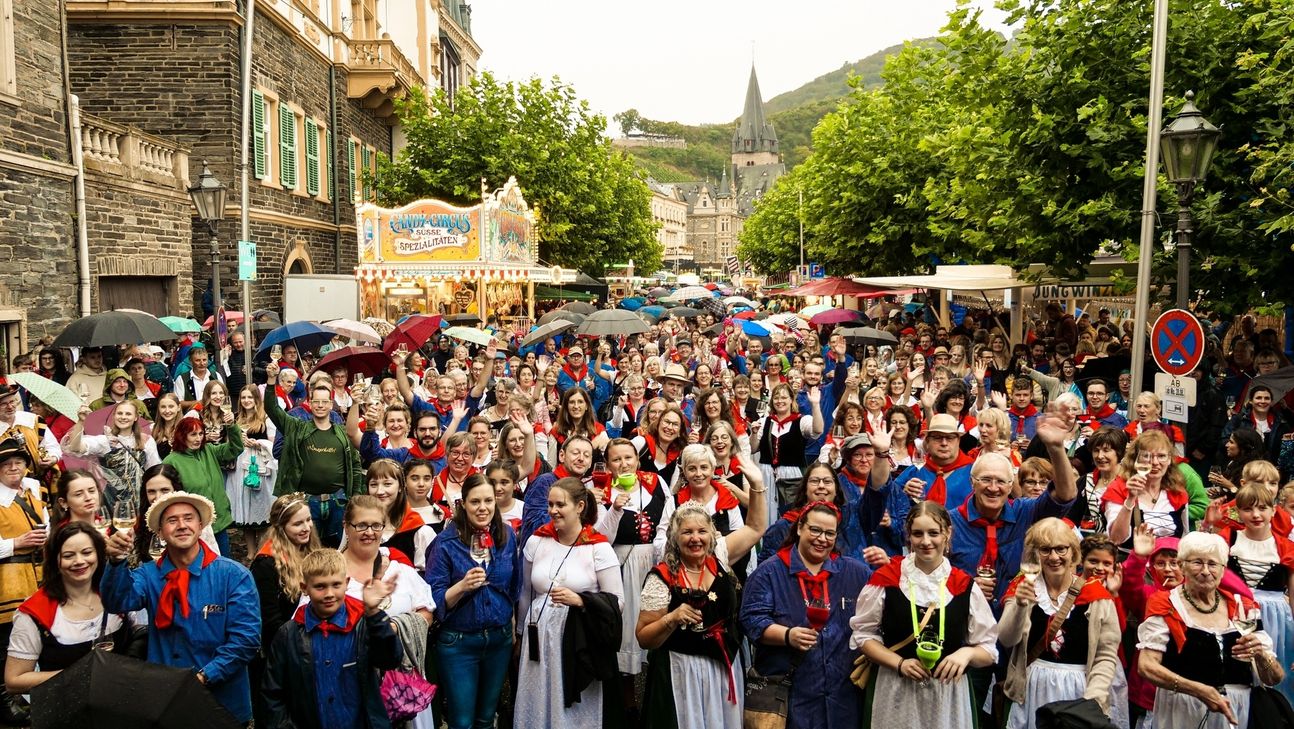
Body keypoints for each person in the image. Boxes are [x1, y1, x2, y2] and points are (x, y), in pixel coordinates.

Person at [101, 491, 260, 723]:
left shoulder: (234, 576)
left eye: (188, 518)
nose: (182, 525)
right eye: (172, 520)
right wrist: (116, 562)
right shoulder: (149, 574)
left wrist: (204, 677)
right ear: (160, 532)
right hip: (167, 700)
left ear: (201, 524)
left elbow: (245, 641)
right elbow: (118, 601)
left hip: (222, 704)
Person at [850, 501, 999, 729]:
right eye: (917, 534)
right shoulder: (887, 579)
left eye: (934, 533)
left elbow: (988, 649)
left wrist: (966, 654)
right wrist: (899, 663)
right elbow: (863, 635)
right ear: (908, 536)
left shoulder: (964, 585)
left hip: (948, 695)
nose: (926, 541)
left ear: (947, 533)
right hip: (896, 689)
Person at [634, 483, 768, 728]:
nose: (695, 538)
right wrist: (671, 619)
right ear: (675, 538)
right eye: (687, 532)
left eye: (701, 531)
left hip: (723, 668)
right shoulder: (662, 577)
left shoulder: (720, 557)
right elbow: (644, 637)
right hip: (681, 671)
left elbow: (756, 527)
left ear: (712, 535)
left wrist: (756, 485)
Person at [739, 501, 871, 729]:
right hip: (791, 698)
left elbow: (880, 611)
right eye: (815, 530)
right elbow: (751, 620)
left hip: (844, 699)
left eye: (830, 533)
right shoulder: (769, 572)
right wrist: (787, 635)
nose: (822, 539)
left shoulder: (855, 573)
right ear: (800, 527)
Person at [1136, 532, 1285, 728]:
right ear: (1182, 566)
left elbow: (1274, 678)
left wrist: (1260, 655)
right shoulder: (1167, 604)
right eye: (1197, 562)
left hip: (1238, 711)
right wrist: (1198, 690)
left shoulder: (1243, 607)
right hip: (1184, 709)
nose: (1206, 571)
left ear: (1223, 569)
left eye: (1213, 564)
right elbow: (1146, 666)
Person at [513, 478, 624, 729]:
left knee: (573, 706)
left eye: (560, 505)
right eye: (550, 504)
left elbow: (617, 603)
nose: (553, 511)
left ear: (580, 506)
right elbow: (526, 593)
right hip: (539, 636)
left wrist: (582, 601)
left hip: (578, 638)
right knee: (538, 698)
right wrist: (520, 634)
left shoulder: (599, 548)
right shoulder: (537, 541)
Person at [998, 518, 1126, 729]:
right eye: (1045, 550)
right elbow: (1006, 638)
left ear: (1074, 552)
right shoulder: (1023, 588)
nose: (1054, 557)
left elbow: (1106, 654)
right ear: (1035, 553)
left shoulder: (1097, 596)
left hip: (1079, 691)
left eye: (1061, 549)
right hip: (1032, 687)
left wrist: (1092, 700)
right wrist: (1020, 606)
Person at [262, 547, 403, 729]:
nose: (329, 594)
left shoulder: (362, 625)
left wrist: (375, 614)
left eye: (336, 585)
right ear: (305, 588)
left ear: (346, 583)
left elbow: (390, 659)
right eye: (320, 586)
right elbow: (273, 692)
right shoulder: (288, 634)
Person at [425, 473, 523, 729]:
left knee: (486, 717)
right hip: (459, 642)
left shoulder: (507, 537)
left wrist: (511, 626)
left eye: (488, 501)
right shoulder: (445, 543)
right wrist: (461, 586)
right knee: (462, 720)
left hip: (498, 639)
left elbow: (515, 585)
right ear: (463, 504)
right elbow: (434, 598)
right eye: (475, 502)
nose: (483, 508)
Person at [4, 523, 141, 694]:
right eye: (68, 556)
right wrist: (81, 675)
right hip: (66, 712)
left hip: (122, 706)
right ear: (56, 561)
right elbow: (14, 680)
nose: (79, 561)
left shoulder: (116, 594)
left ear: (99, 555)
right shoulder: (35, 612)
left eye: (87, 553)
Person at [264, 363, 365, 548]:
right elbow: (272, 409)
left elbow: (355, 466)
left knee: (338, 549)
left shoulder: (341, 433)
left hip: (338, 502)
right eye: (316, 401)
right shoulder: (297, 427)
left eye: (324, 402)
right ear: (309, 403)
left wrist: (355, 498)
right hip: (306, 503)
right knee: (307, 549)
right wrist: (271, 381)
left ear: (331, 404)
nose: (320, 405)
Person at [1211, 482, 1294, 703]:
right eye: (1248, 509)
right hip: (1234, 613)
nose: (1256, 515)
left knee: (1274, 676)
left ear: (1274, 510)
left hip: (1275, 618)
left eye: (1262, 508)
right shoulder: (1229, 538)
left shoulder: (1286, 547)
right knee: (1237, 675)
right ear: (1238, 511)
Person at [249, 493, 320, 729]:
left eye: (308, 520)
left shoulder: (310, 551)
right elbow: (269, 621)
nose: (306, 527)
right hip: (282, 655)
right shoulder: (266, 564)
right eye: (297, 523)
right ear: (281, 527)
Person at [161, 416, 244, 556]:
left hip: (218, 520)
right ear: (182, 436)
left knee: (223, 564)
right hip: (194, 525)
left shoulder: (209, 450)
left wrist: (231, 427)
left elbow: (235, 448)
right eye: (193, 434)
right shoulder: (171, 461)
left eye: (201, 434)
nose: (198, 438)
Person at [64, 399, 160, 513]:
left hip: (140, 499)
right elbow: (75, 448)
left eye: (128, 414)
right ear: (114, 416)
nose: (123, 417)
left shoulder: (146, 441)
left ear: (135, 417)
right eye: (120, 413)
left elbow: (154, 471)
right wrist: (81, 422)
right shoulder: (105, 441)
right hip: (111, 501)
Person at [1102, 430, 1191, 547]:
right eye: (1146, 456)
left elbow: (1185, 538)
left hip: (1168, 563)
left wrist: (1206, 524)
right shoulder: (1118, 489)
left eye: (1161, 456)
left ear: (1169, 460)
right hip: (1131, 562)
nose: (1154, 462)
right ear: (1135, 460)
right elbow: (1116, 539)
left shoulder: (1177, 492)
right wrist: (1130, 500)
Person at [751, 383, 824, 517]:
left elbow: (818, 430)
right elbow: (753, 448)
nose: (780, 401)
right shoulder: (766, 421)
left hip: (792, 476)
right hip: (767, 474)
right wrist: (754, 433)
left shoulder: (801, 421)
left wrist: (815, 405)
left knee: (792, 513)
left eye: (784, 397)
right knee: (767, 513)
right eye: (776, 398)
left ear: (791, 399)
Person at [229, 384, 276, 556]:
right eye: (243, 397)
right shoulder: (235, 419)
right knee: (245, 511)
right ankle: (250, 552)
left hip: (259, 468)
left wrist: (259, 444)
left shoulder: (265, 419)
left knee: (261, 509)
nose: (246, 401)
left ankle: (261, 552)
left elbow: (273, 444)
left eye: (250, 397)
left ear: (256, 399)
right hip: (240, 469)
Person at [173, 345, 224, 410]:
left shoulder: (216, 376)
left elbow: (224, 397)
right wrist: (198, 403)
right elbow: (178, 403)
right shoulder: (181, 379)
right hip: (192, 417)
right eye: (197, 360)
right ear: (190, 361)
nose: (202, 363)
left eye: (204, 360)